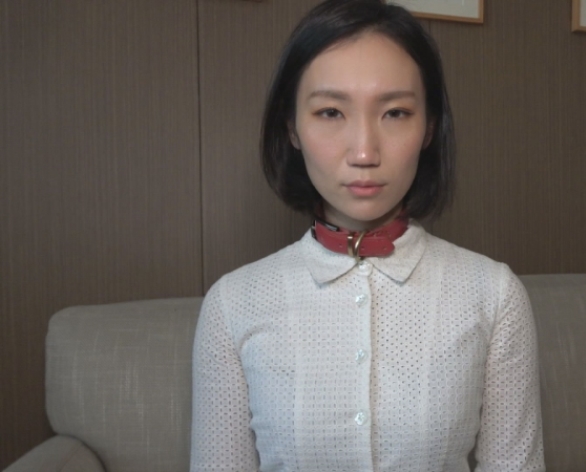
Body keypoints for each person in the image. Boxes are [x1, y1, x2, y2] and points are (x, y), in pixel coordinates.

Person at [190, 1, 545, 471]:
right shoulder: (233, 304)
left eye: (395, 113)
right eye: (330, 112)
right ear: (292, 126)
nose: (364, 152)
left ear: (429, 127)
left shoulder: (494, 294)